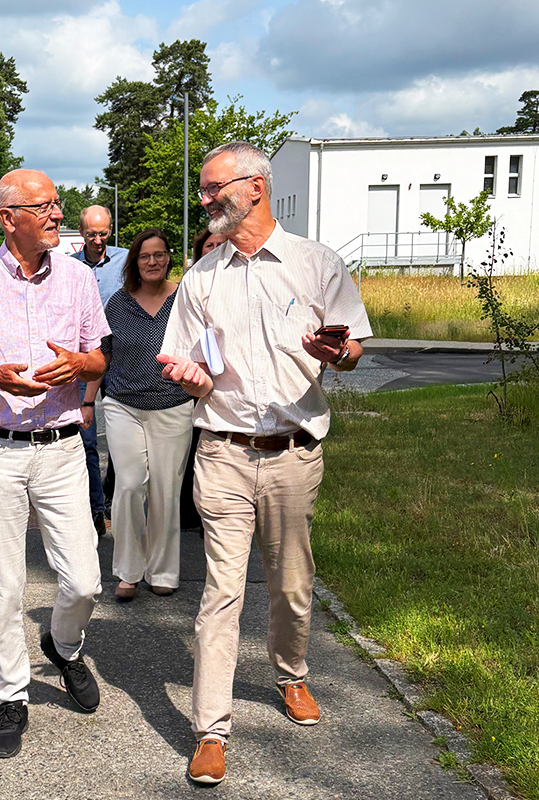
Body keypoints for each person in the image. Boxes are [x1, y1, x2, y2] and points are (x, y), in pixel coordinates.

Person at [157, 141, 372, 786]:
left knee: (290, 583)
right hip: (221, 452)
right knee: (222, 592)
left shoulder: (316, 264)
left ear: (254, 187)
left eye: (211, 188)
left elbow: (353, 348)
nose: (203, 200)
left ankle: (291, 674)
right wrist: (191, 375)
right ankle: (211, 729)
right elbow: (187, 364)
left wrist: (339, 353)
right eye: (201, 189)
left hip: (293, 453)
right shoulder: (201, 277)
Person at [0, 168, 110, 759]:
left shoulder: (81, 278)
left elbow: (100, 358)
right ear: (9, 219)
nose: (60, 214)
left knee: (83, 578)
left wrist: (80, 367)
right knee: (3, 585)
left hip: (61, 448)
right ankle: (12, 695)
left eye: (59, 205)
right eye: (47, 206)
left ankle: (64, 646)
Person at [83, 228, 193, 602]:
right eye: (145, 256)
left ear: (168, 258)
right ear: (135, 261)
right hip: (123, 404)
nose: (153, 261)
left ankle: (163, 570)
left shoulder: (184, 300)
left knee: (165, 489)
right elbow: (104, 356)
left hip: (173, 404)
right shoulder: (118, 303)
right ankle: (128, 571)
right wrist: (87, 402)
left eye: (159, 254)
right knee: (129, 485)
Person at [71, 205, 127, 534]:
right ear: (81, 233)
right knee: (86, 438)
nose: (98, 239)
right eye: (91, 234)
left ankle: (116, 497)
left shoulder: (124, 260)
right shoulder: (69, 267)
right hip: (87, 360)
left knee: (123, 443)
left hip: (120, 358)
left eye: (103, 232)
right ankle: (95, 509)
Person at [178, 229, 228, 532]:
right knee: (193, 444)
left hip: (230, 380)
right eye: (209, 245)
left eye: (221, 245)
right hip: (196, 374)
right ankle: (191, 511)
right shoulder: (193, 284)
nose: (215, 250)